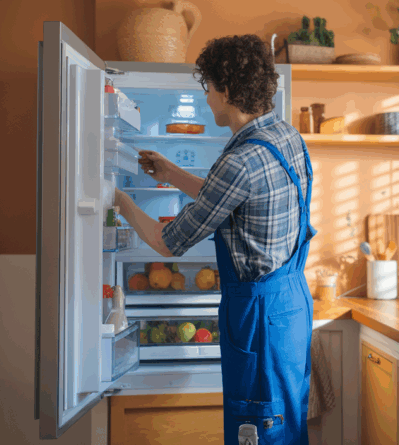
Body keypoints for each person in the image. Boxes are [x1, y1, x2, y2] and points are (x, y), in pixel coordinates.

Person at [114, 34, 316, 445]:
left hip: (258, 317)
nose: (206, 98)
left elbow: (168, 242)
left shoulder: (239, 161)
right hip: (291, 305)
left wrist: (120, 201)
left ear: (226, 89)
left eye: (208, 88)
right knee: (285, 423)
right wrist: (171, 174)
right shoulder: (286, 137)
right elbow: (233, 198)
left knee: (257, 429)